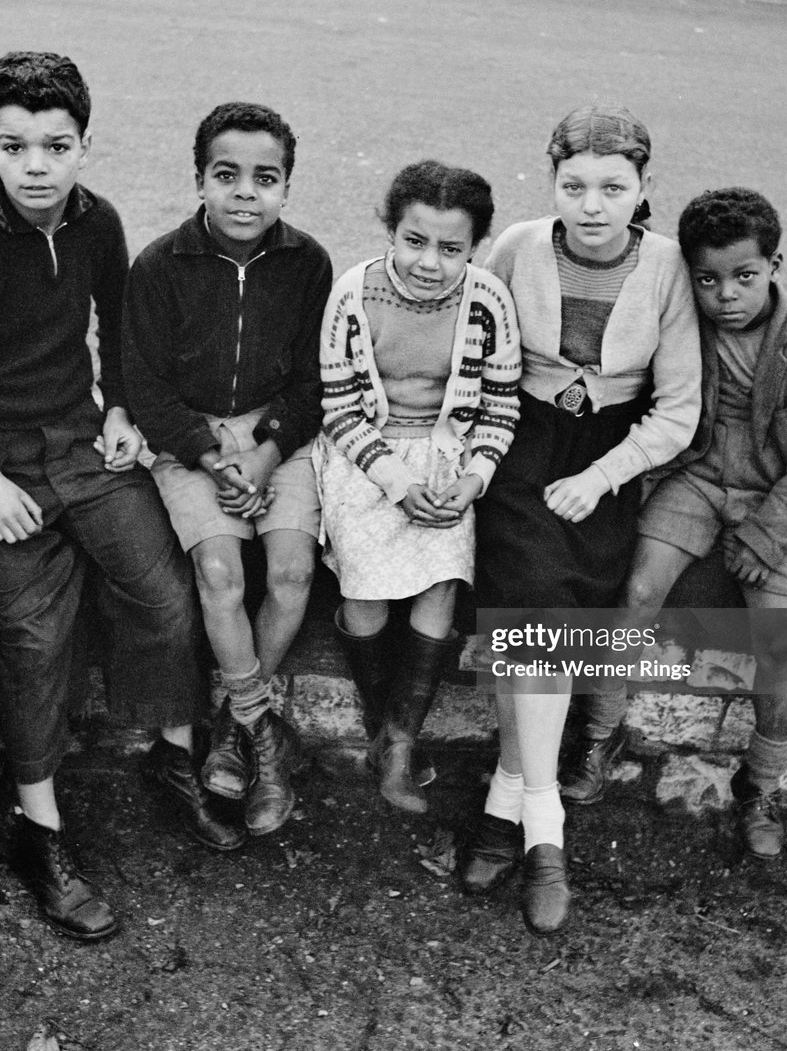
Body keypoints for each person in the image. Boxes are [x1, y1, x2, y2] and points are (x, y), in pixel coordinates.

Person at [0, 52, 224, 945]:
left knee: (161, 586)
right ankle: (39, 831)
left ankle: (171, 751)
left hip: (79, 443)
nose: (36, 165)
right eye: (15, 146)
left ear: (84, 143)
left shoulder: (96, 221)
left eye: (56, 144)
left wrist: (119, 404)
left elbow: (117, 321)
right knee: (35, 635)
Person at [459, 104, 701, 935]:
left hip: (610, 455)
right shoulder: (519, 247)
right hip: (520, 443)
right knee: (535, 610)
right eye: (572, 185)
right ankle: (547, 831)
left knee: (563, 623)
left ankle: (502, 801)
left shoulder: (666, 267)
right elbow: (475, 355)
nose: (590, 204)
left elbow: (676, 412)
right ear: (551, 180)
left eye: (611, 187)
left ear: (642, 188)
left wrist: (600, 478)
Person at [619, 187, 787, 858]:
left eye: (744, 276)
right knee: (634, 594)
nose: (725, 295)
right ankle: (596, 737)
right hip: (695, 482)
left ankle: (761, 784)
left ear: (774, 264)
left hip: (769, 500)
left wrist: (763, 534)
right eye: (708, 279)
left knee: (776, 647)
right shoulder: (682, 322)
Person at [123, 101, 332, 839]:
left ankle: (228, 724)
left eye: (264, 178)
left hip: (279, 433)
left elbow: (314, 382)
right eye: (226, 175)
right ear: (200, 180)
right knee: (218, 575)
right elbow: (142, 386)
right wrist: (210, 457)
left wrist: (269, 449)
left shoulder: (307, 263)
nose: (245, 192)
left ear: (285, 188)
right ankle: (261, 732)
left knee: (291, 574)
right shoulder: (158, 266)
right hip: (191, 439)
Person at [317, 161, 521, 814]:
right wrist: (395, 480)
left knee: (440, 576)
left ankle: (400, 745)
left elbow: (499, 407)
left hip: (447, 455)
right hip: (364, 455)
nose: (429, 261)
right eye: (414, 241)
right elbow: (340, 406)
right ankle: (387, 730)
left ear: (476, 247)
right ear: (390, 230)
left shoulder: (487, 303)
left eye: (451, 248)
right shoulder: (354, 293)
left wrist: (471, 478)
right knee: (366, 588)